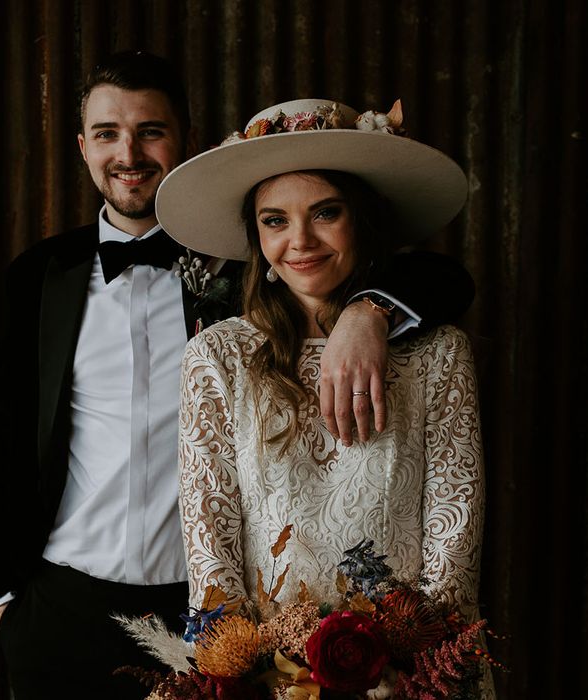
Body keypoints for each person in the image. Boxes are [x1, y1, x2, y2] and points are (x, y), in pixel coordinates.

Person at [0, 54, 476, 698]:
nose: (128, 153)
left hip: (208, 613)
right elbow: (9, 440)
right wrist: (8, 599)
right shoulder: (41, 274)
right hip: (60, 604)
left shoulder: (243, 258)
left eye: (150, 130)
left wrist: (367, 309)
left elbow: (441, 278)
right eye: (106, 133)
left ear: (184, 140)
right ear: (83, 146)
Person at [163, 99, 494, 694]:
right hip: (268, 670)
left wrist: (414, 667)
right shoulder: (218, 356)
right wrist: (244, 671)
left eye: (325, 213)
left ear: (362, 219)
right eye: (274, 220)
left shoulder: (438, 353)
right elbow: (210, 529)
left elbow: (455, 526)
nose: (300, 241)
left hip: (407, 670)